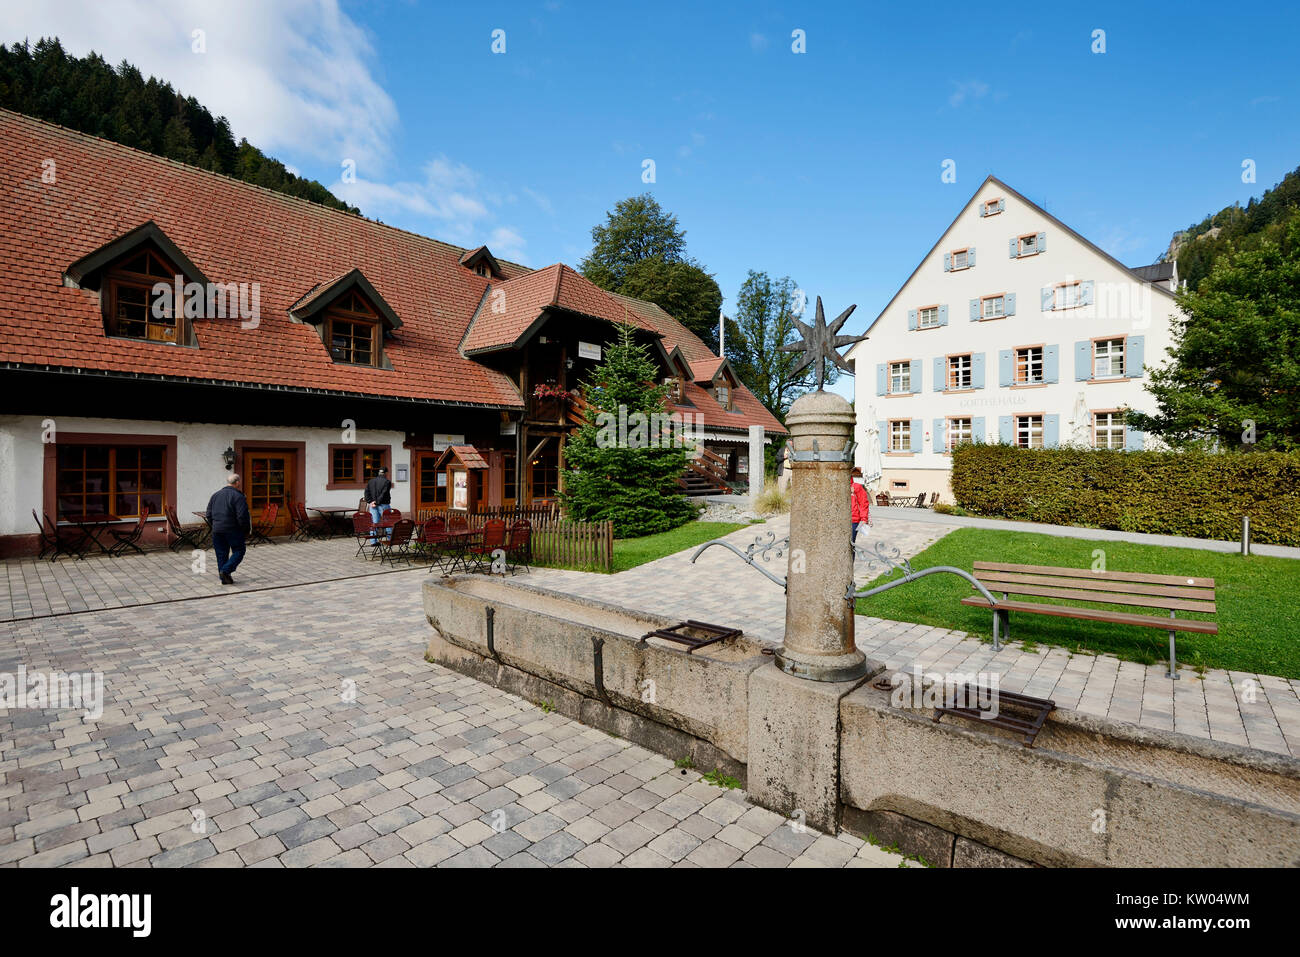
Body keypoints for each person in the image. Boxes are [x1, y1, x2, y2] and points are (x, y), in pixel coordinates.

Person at [206, 473, 251, 585]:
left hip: (217, 530)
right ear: (237, 483)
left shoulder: (215, 495)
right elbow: (242, 516)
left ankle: (224, 578)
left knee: (221, 554)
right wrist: (245, 530)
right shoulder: (239, 496)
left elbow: (208, 514)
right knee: (239, 551)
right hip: (233, 530)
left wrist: (215, 525)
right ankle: (225, 571)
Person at [365, 467, 393, 544]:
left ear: (379, 473)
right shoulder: (387, 482)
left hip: (373, 505)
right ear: (386, 473)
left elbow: (366, 493)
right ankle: (390, 539)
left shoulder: (371, 481)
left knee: (374, 523)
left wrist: (371, 502)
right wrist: (377, 502)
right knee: (388, 522)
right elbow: (383, 494)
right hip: (383, 505)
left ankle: (373, 541)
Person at [851, 466, 871, 549]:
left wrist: (863, 519)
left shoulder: (856, 487)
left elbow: (863, 503)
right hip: (840, 520)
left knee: (850, 545)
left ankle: (850, 561)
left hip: (854, 521)